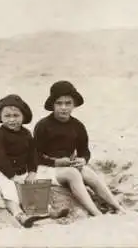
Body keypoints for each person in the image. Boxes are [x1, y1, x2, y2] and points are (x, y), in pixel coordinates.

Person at [34, 81, 125, 216]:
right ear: (53, 105)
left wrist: (83, 159)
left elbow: (84, 150)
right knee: (73, 174)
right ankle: (96, 212)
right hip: (46, 169)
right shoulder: (43, 126)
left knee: (87, 172)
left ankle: (117, 207)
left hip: (67, 167)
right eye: (59, 103)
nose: (64, 108)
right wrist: (56, 162)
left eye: (68, 103)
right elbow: (34, 156)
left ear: (74, 104)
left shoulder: (77, 126)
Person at [0, 94, 69, 228]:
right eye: (7, 116)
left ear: (23, 117)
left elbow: (32, 154)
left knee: (32, 184)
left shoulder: (26, 134)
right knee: (8, 189)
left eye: (16, 116)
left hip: (20, 168)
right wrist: (12, 176)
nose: (12, 120)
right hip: (0, 169)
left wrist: (32, 171)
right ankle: (19, 215)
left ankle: (46, 210)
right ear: (0, 118)